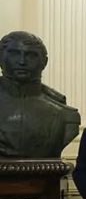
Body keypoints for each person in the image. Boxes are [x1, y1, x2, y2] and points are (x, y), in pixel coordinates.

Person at [0, 30, 80, 158]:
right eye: (14, 54)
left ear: (44, 62)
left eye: (31, 55)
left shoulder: (65, 115)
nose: (22, 61)